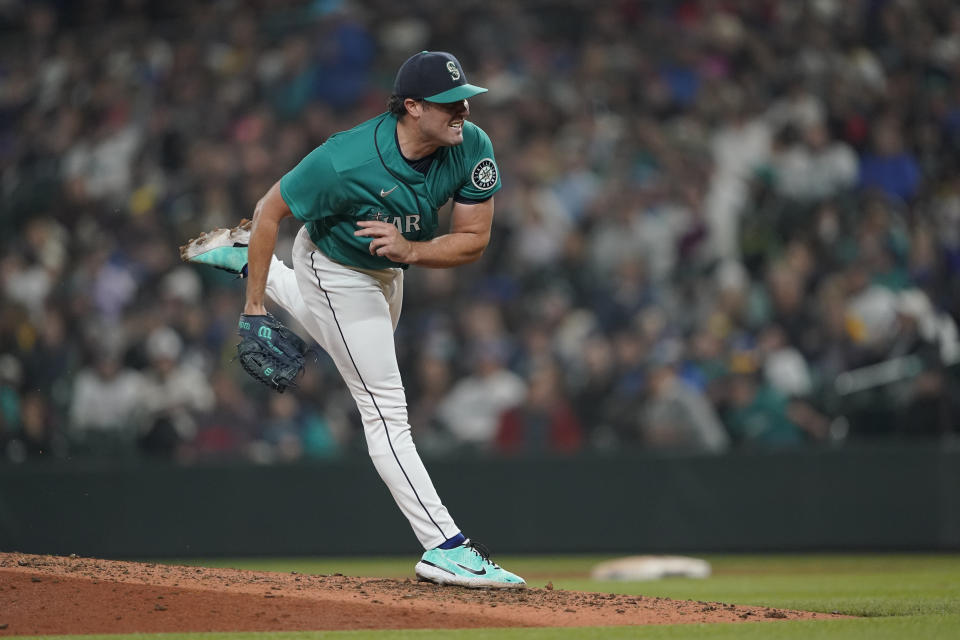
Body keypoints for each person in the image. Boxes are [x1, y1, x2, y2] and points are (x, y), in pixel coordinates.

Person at [180, 51, 524, 588]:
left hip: (389, 267)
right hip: (333, 266)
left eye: (465, 100)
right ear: (412, 107)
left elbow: (474, 240)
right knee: (384, 408)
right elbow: (271, 209)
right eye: (449, 103)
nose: (463, 110)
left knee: (354, 356)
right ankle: (444, 547)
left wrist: (410, 249)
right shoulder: (344, 159)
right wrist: (253, 308)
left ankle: (250, 259)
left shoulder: (471, 145)